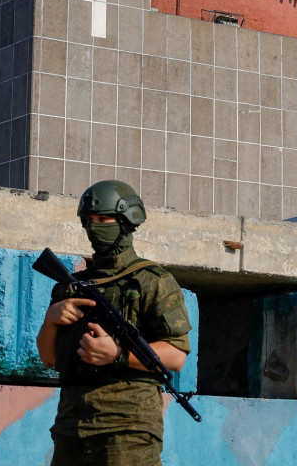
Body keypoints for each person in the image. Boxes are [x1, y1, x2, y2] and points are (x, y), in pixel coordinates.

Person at [36, 180, 192, 466]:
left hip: (127, 428)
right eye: (89, 220)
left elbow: (176, 355)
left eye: (103, 218)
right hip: (71, 427)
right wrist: (51, 320)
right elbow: (49, 358)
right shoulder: (72, 287)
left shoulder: (152, 281)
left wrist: (117, 355)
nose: (95, 226)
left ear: (126, 220)